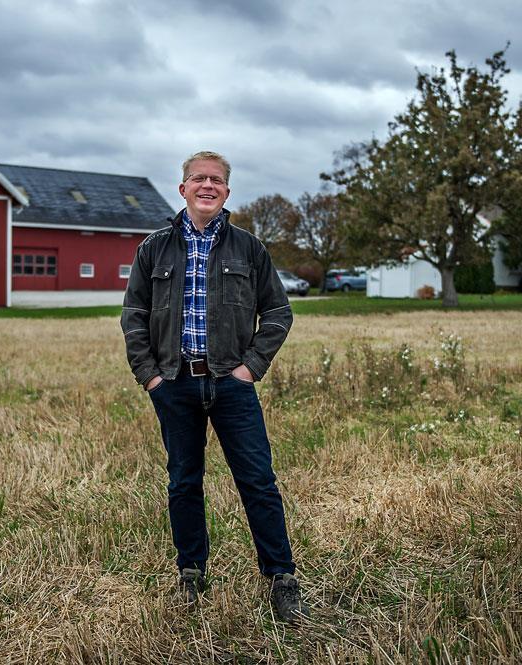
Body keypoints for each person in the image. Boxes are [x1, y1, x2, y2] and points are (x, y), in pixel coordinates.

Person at [120, 151, 308, 623]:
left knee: (259, 482)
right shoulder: (153, 249)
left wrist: (249, 368)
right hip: (175, 384)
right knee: (184, 482)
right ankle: (191, 573)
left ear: (227, 192)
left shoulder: (249, 248)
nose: (208, 186)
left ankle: (281, 577)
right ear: (182, 188)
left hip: (231, 384)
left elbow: (279, 313)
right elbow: (134, 317)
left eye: (217, 180)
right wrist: (151, 376)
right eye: (199, 179)